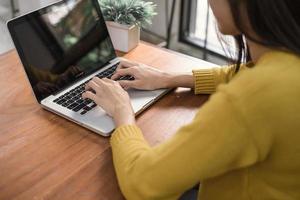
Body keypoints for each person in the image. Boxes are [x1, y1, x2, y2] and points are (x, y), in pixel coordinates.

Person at [82, 0, 300, 199]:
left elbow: (143, 185)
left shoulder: (253, 97)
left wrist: (122, 112)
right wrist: (169, 78)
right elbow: (242, 72)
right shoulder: (287, 61)